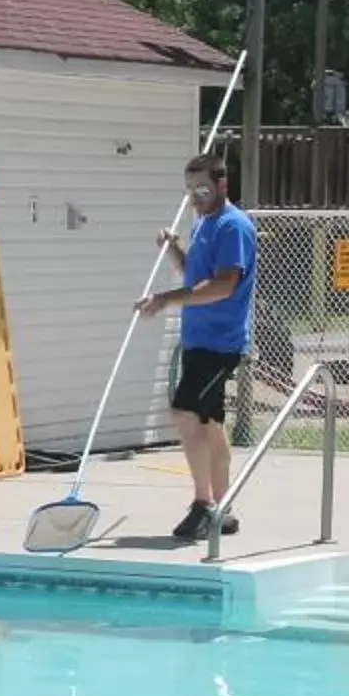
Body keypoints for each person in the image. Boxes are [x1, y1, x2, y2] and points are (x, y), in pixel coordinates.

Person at [136, 149, 257, 540]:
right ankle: (224, 507)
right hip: (198, 339)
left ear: (223, 184)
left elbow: (223, 285)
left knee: (185, 413)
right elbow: (195, 273)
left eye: (202, 187)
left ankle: (205, 504)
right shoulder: (204, 223)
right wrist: (172, 249)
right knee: (209, 422)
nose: (195, 196)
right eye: (189, 189)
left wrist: (166, 299)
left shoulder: (232, 226)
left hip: (220, 343)